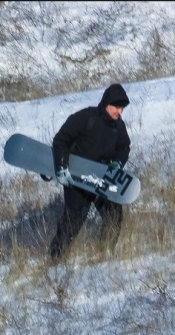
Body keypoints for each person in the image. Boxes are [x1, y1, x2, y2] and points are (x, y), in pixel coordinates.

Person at [48, 83, 132, 261]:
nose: (120, 112)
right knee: (73, 222)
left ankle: (104, 255)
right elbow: (60, 140)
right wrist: (61, 168)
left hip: (102, 178)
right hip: (77, 178)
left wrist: (118, 162)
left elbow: (124, 147)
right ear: (106, 103)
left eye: (122, 108)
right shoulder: (85, 117)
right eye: (116, 107)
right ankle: (55, 259)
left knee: (114, 216)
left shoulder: (119, 127)